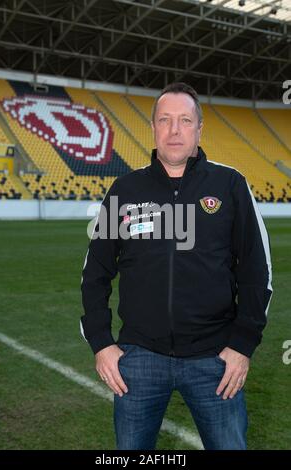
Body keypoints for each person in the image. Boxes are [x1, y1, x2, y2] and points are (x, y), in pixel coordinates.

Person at [80, 82, 273, 450]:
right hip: (138, 360)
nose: (174, 129)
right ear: (152, 127)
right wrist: (102, 343)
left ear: (199, 129)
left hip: (215, 360)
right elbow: (95, 272)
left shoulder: (230, 184)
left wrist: (242, 345)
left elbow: (256, 270)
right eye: (165, 120)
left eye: (185, 120)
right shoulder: (124, 190)